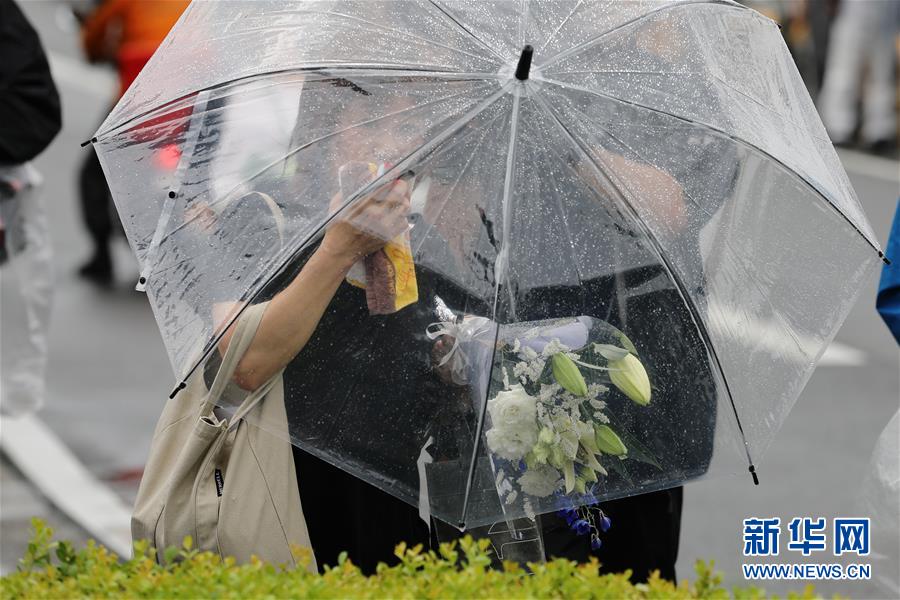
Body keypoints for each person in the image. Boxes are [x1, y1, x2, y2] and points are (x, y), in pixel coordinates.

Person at [77, 0, 189, 284]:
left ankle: (101, 254)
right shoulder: (198, 6)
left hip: (136, 100)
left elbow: (93, 39)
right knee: (197, 175)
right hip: (187, 99)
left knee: (94, 171)